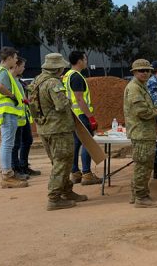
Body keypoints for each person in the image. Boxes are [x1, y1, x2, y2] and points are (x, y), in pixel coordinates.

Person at [29, 53, 88, 211]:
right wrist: (68, 99)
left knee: (59, 162)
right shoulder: (53, 83)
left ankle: (66, 191)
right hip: (59, 129)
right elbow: (61, 105)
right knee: (62, 163)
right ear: (58, 68)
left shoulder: (37, 81)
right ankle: (54, 198)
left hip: (44, 128)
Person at [124, 59, 157, 208]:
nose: (145, 73)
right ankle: (141, 197)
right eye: (141, 70)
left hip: (144, 132)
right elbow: (141, 111)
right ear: (134, 72)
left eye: (148, 70)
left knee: (142, 165)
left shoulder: (141, 87)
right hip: (141, 133)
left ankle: (136, 194)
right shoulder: (135, 88)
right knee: (144, 165)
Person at [0, 46, 28, 189]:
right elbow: (0, 86)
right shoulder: (3, 71)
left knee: (7, 143)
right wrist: (12, 96)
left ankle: (8, 173)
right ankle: (7, 175)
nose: (16, 60)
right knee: (8, 144)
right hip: (8, 112)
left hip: (5, 112)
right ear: (9, 58)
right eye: (15, 58)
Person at [63, 51, 102, 186]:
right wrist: (90, 117)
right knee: (87, 142)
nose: (86, 62)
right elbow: (79, 99)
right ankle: (87, 174)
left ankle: (75, 172)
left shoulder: (67, 75)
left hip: (72, 114)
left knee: (76, 143)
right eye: (85, 59)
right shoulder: (77, 77)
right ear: (79, 61)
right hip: (80, 114)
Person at [11, 57, 40, 179]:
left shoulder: (19, 81)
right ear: (16, 66)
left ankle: (23, 165)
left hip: (23, 115)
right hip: (15, 116)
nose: (24, 68)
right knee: (15, 144)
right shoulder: (11, 80)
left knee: (27, 140)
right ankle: (15, 167)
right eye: (22, 66)